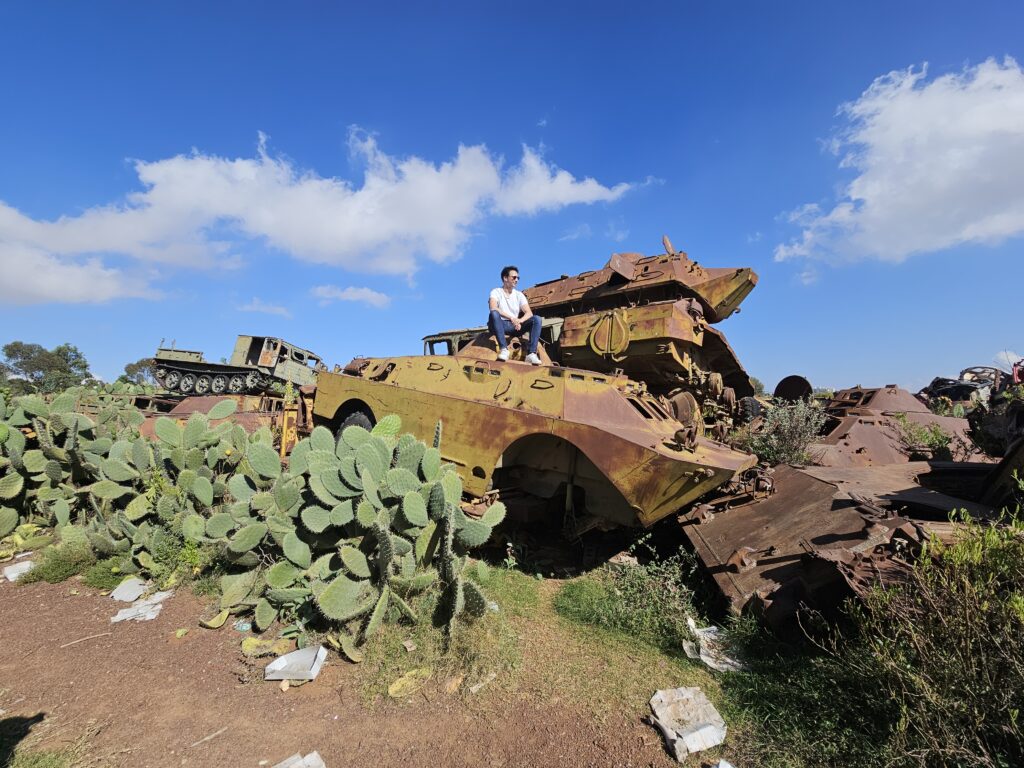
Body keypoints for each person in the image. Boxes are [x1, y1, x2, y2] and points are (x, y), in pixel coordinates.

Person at [488, 265, 542, 365]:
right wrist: (512, 318)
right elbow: (493, 307)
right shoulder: (496, 292)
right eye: (514, 277)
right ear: (505, 278)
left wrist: (519, 321)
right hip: (500, 324)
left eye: (518, 278)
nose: (516, 280)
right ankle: (504, 349)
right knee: (494, 314)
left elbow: (529, 312)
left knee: (536, 319)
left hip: (515, 326)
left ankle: (531, 354)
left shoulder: (519, 295)